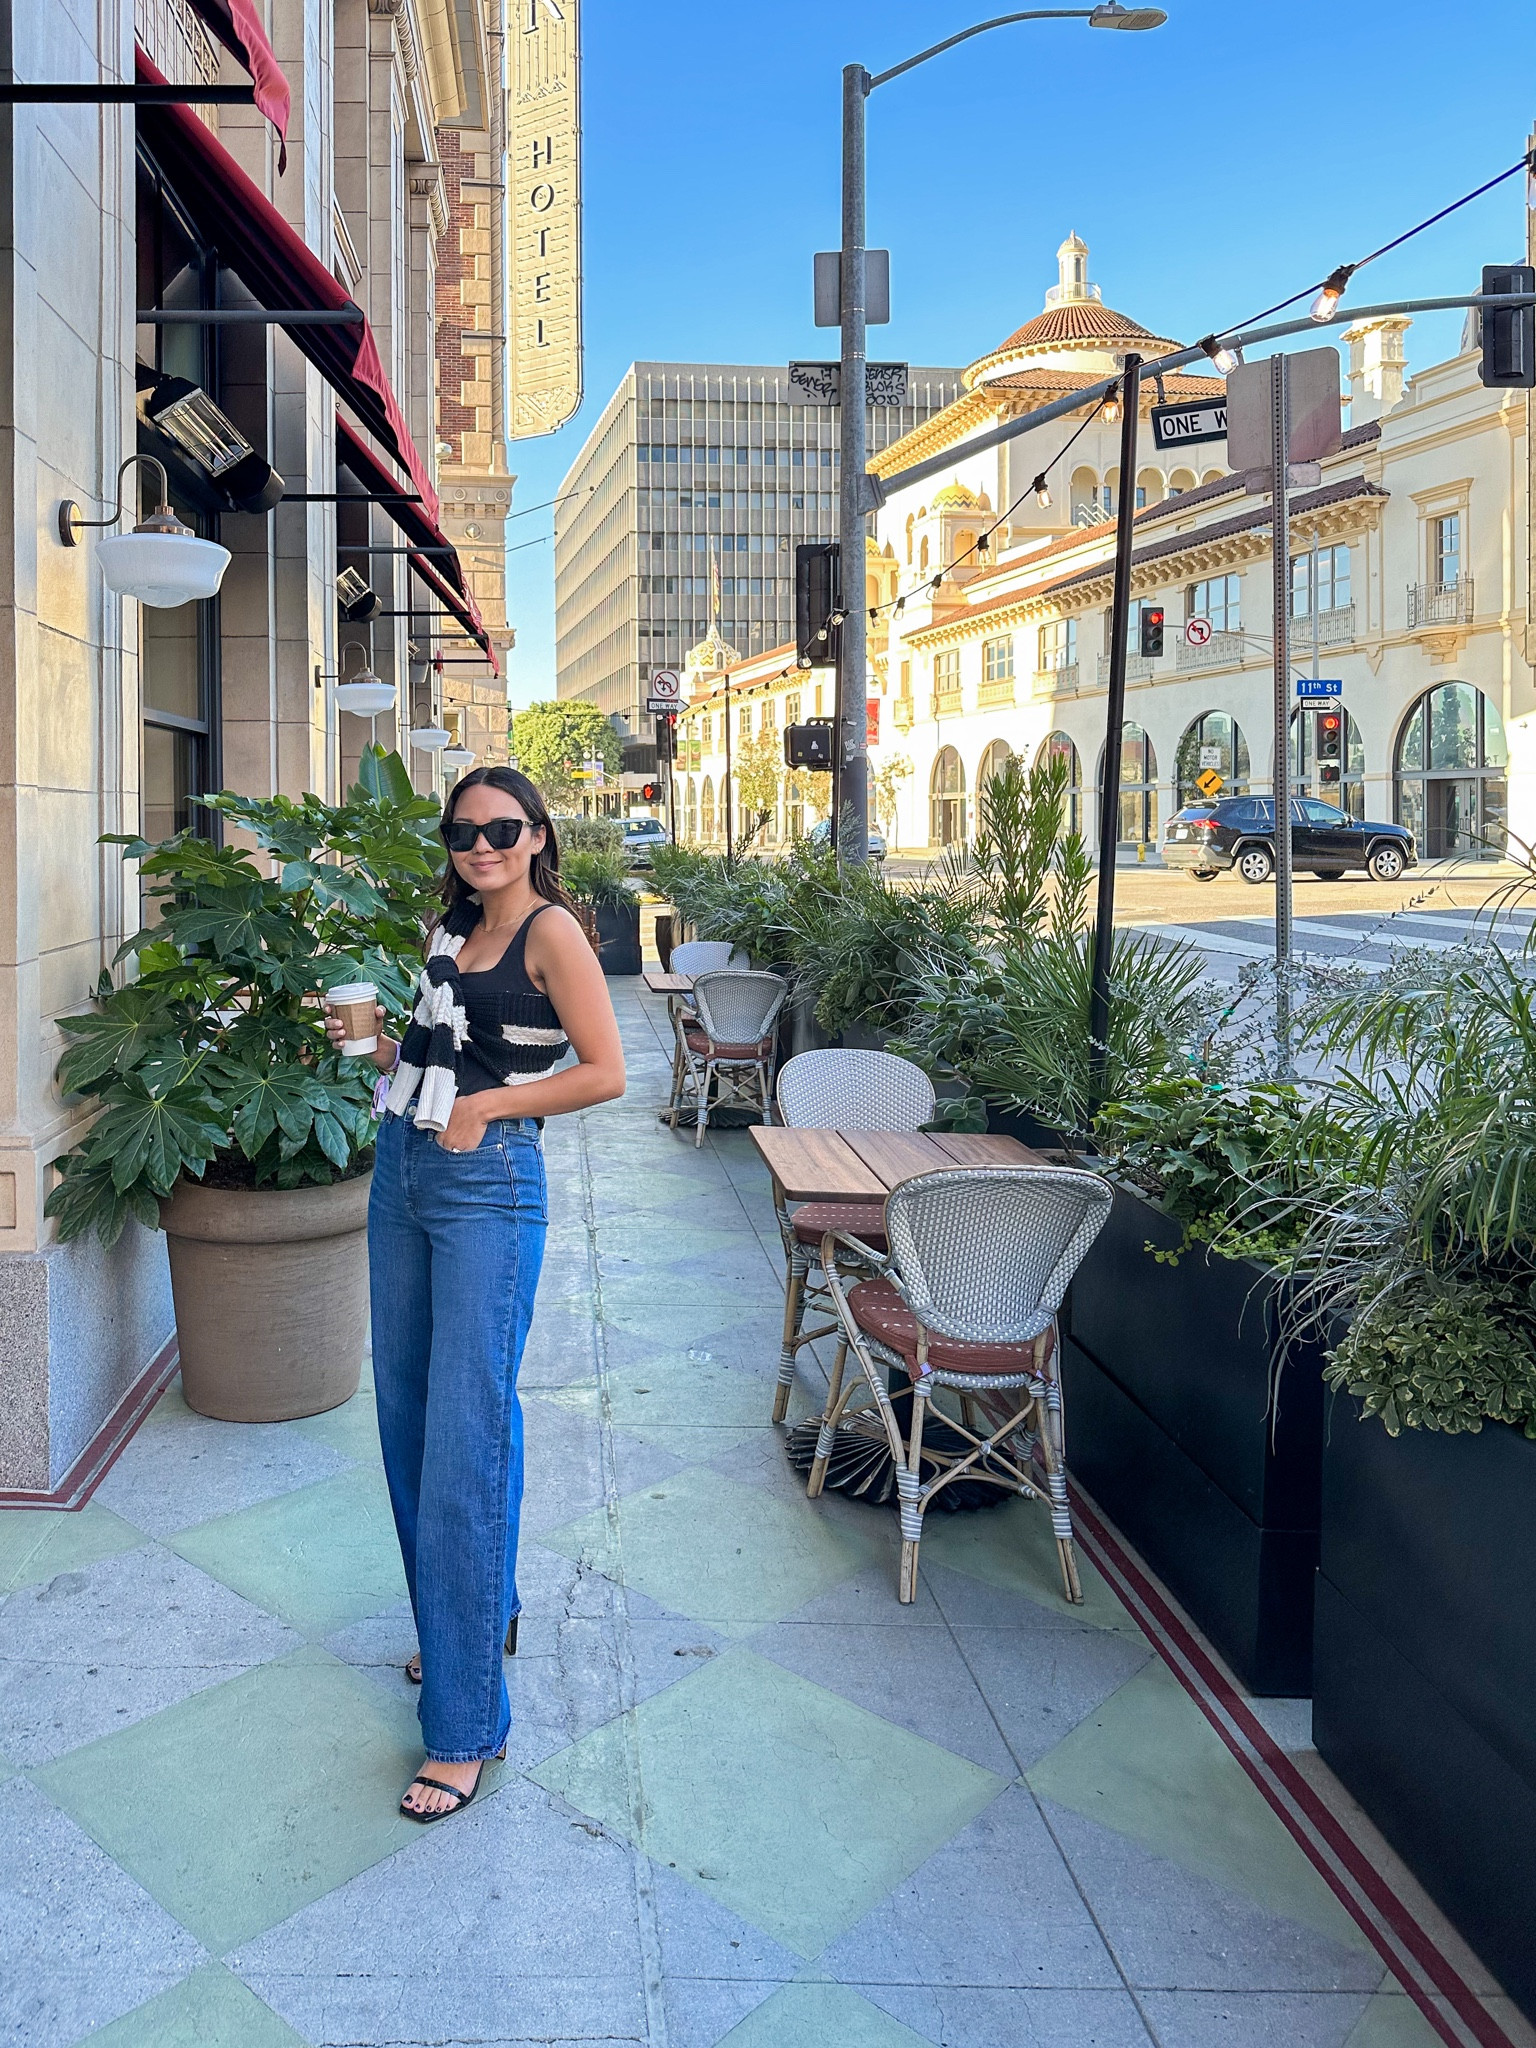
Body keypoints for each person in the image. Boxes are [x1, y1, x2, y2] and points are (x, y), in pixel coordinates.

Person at [326, 767, 624, 1821]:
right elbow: (426, 1049)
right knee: (409, 1420)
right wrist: (367, 1045)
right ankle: (469, 1617)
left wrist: (489, 1105)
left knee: (465, 1434)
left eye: (502, 828)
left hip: (490, 1180)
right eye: (464, 830)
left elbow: (605, 1070)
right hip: (406, 1168)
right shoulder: (445, 929)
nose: (482, 844)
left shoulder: (551, 931)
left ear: (538, 833)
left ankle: (464, 1725)